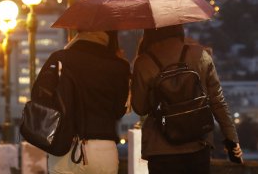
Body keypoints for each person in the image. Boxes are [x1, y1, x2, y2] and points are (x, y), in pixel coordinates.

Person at [131, 24, 243, 174]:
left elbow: (140, 108)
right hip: (197, 145)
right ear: (179, 27)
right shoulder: (200, 55)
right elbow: (217, 102)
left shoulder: (143, 62)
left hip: (160, 149)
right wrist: (231, 139)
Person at [34, 30, 130, 174]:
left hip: (65, 148)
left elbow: (38, 96)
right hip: (103, 149)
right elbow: (118, 111)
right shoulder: (120, 66)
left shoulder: (60, 58)